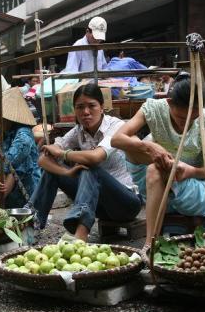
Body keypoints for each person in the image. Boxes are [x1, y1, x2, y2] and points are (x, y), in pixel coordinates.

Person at [111, 75, 205, 246]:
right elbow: (116, 140)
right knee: (142, 156)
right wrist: (150, 147)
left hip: (195, 188)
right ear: (169, 103)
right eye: (182, 118)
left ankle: (149, 245)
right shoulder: (154, 109)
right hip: (155, 184)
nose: (186, 124)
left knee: (155, 169)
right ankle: (151, 246)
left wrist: (190, 170)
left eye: (193, 118)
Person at [30, 83, 142, 241]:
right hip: (99, 206)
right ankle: (31, 226)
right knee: (53, 170)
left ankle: (80, 236)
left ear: (102, 107)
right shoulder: (78, 131)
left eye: (92, 106)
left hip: (126, 204)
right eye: (80, 107)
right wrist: (67, 172)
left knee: (90, 168)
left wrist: (62, 153)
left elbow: (96, 157)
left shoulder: (116, 126)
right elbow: (43, 160)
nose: (86, 112)